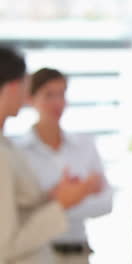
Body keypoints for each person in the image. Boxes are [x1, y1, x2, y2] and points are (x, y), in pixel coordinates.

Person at [0, 47, 98, 264]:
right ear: (15, 86)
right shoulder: (7, 152)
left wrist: (53, 197)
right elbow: (5, 245)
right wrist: (61, 204)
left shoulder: (8, 146)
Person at [16, 68, 114, 264]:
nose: (57, 103)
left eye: (62, 94)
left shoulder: (84, 146)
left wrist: (55, 200)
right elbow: (19, 213)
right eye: (49, 95)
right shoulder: (19, 153)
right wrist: (82, 191)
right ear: (30, 99)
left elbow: (106, 203)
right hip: (35, 256)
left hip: (78, 254)